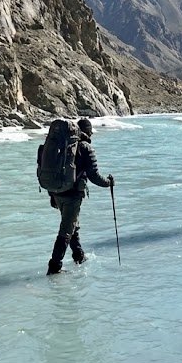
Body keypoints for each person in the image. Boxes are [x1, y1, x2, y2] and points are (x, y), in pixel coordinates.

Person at [46, 118, 113, 275]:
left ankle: (79, 256)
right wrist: (108, 183)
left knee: (71, 224)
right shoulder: (85, 147)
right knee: (66, 230)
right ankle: (54, 267)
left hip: (57, 192)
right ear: (88, 132)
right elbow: (94, 176)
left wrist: (51, 194)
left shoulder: (63, 144)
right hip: (72, 195)